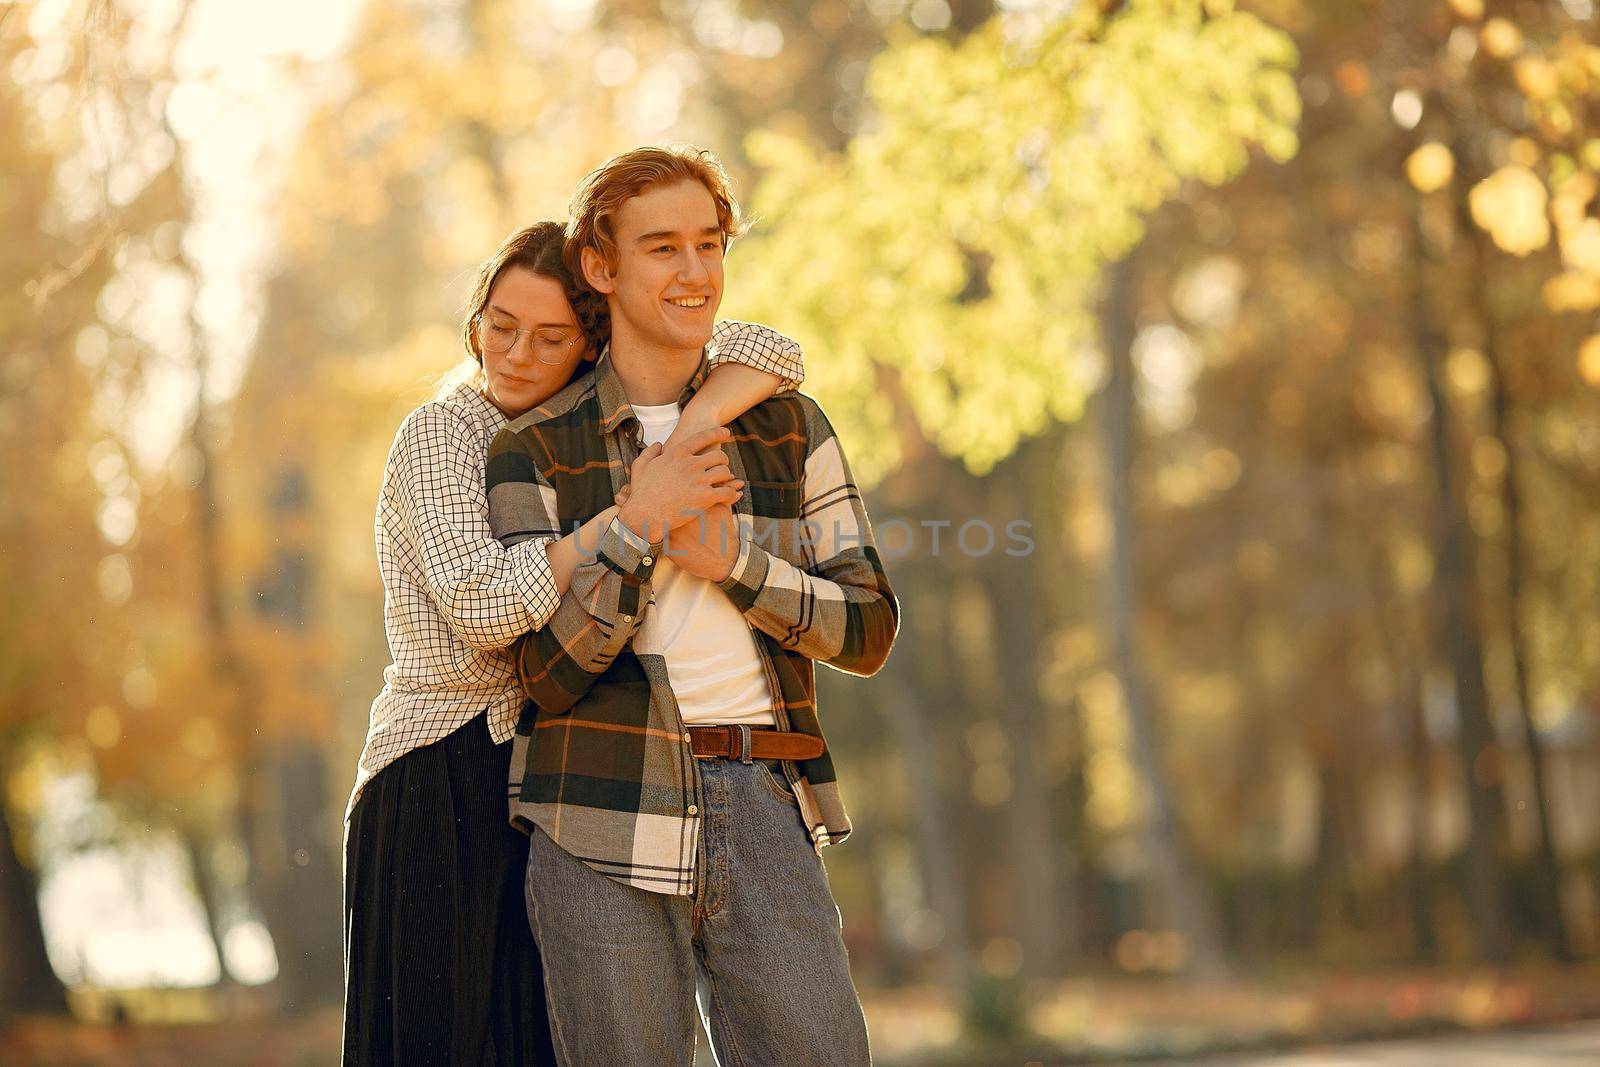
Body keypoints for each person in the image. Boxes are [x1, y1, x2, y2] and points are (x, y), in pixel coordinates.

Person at [343, 218, 806, 1065]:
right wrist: (629, 517)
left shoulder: (588, 424)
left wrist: (682, 428)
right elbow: (482, 608)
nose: (515, 353)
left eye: (551, 334)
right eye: (499, 323)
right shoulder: (445, 432)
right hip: (440, 770)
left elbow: (774, 350)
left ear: (590, 343)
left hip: (550, 782)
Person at [487, 146, 899, 1067]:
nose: (694, 273)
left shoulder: (790, 424)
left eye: (708, 245)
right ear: (601, 266)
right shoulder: (534, 449)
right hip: (595, 814)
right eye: (662, 248)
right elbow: (543, 674)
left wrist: (737, 564)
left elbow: (869, 627)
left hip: (765, 792)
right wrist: (638, 530)